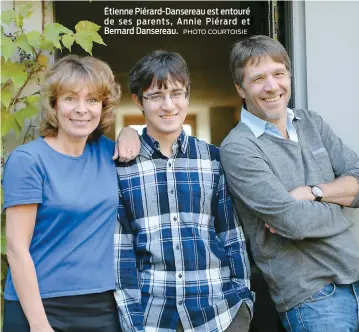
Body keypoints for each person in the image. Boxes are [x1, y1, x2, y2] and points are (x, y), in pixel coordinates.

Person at [220, 35, 359, 332]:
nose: (272, 87)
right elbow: (292, 221)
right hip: (313, 297)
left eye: (279, 74)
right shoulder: (239, 148)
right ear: (240, 88)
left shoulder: (312, 123)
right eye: (258, 79)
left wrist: (314, 193)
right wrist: (344, 204)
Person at [114, 50, 254, 332]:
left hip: (219, 315)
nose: (168, 105)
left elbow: (232, 237)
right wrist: (132, 323)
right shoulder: (121, 168)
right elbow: (121, 253)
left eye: (177, 93)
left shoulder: (214, 159)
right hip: (153, 318)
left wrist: (244, 304)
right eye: (156, 96)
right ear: (138, 101)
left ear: (187, 96)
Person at [2, 55, 124, 332]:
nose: (82, 109)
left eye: (92, 100)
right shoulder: (29, 161)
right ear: (54, 104)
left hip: (103, 306)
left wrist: (129, 134)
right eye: (70, 98)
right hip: (39, 305)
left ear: (103, 107)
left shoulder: (111, 153)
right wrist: (38, 323)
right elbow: (16, 248)